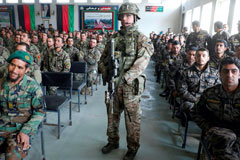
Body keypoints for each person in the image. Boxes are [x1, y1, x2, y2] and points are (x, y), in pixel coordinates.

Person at [98, 2, 153, 160]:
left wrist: (125, 78)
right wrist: (106, 72)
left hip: (130, 86)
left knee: (132, 119)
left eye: (129, 15)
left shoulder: (142, 39)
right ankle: (113, 141)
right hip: (113, 84)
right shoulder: (113, 38)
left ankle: (132, 147)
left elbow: (141, 63)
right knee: (112, 115)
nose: (125, 19)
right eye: (123, 16)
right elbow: (103, 59)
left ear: (135, 17)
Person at [191, 57, 240, 160]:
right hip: (218, 135)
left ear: (239, 74)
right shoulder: (210, 93)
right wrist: (208, 127)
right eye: (225, 71)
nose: (229, 75)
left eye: (234, 71)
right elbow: (195, 112)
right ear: (219, 74)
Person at [0, 51, 45, 160]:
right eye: (12, 65)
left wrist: (26, 131)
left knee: (12, 156)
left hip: (22, 127)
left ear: (26, 70)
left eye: (20, 67)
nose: (14, 70)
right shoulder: (1, 83)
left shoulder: (33, 87)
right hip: (3, 124)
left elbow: (40, 112)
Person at [178, 48, 220, 118]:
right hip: (192, 101)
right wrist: (196, 100)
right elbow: (182, 90)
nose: (201, 58)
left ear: (208, 58)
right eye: (198, 55)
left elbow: (218, 89)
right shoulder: (186, 72)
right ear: (195, 57)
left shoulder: (215, 73)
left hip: (209, 101)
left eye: (204, 56)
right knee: (190, 107)